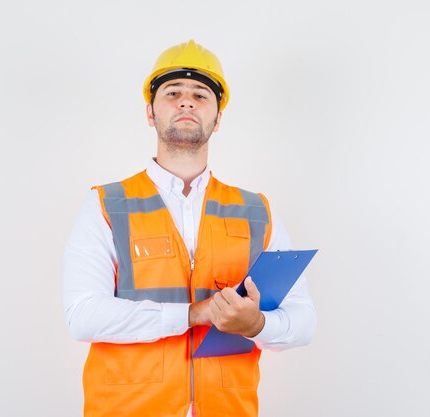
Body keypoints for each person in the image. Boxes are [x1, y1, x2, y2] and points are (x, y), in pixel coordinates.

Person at [63, 39, 316, 417]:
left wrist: (257, 323)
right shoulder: (106, 205)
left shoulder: (257, 212)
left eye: (201, 94)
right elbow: (82, 315)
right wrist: (192, 314)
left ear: (218, 118)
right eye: (172, 93)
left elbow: (303, 321)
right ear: (150, 112)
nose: (186, 101)